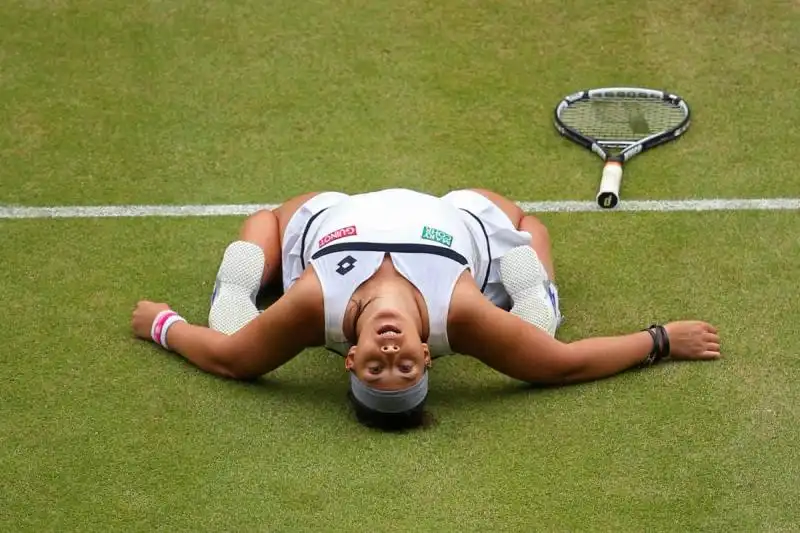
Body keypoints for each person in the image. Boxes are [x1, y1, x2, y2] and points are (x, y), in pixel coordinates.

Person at [131, 188, 722, 431]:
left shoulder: (317, 303)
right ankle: (536, 294)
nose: (390, 357)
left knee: (258, 244)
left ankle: (231, 292)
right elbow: (557, 367)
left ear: (350, 358)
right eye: (404, 370)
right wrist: (661, 340)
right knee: (527, 252)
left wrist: (163, 325)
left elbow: (234, 360)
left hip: (332, 216)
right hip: (460, 223)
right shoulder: (455, 313)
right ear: (427, 358)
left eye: (375, 370)